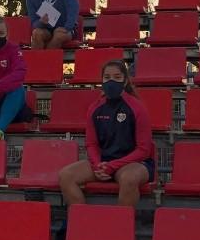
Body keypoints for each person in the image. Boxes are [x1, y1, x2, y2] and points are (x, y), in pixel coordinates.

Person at [57, 60, 154, 207]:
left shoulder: (137, 107)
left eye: (117, 77)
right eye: (107, 77)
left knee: (129, 178)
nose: (112, 81)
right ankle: (81, 222)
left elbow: (144, 150)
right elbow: (91, 144)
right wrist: (97, 165)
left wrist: (113, 166)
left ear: (125, 80)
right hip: (104, 162)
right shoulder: (95, 108)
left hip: (134, 163)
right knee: (66, 176)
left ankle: (122, 227)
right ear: (102, 80)